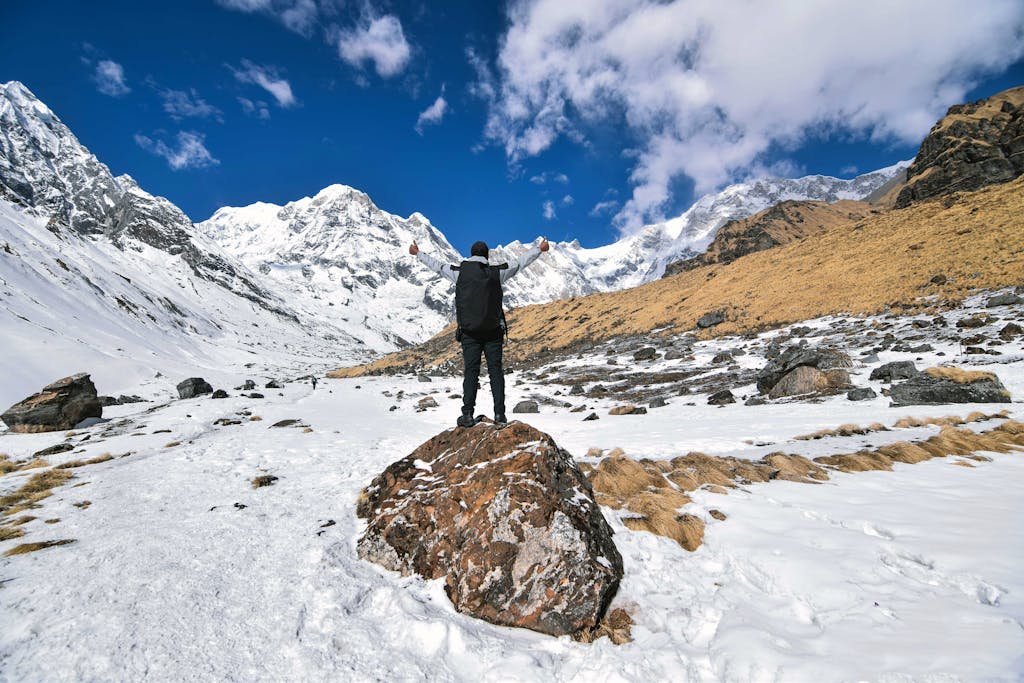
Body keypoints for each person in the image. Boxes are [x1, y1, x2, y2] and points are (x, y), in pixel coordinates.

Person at [410, 237, 550, 427]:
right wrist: (539, 249)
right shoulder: (497, 272)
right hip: (493, 332)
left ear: (471, 255)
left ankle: (467, 414)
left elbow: (437, 266)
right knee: (496, 372)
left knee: (471, 373)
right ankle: (500, 415)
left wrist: (418, 253)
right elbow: (519, 264)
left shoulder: (458, 272)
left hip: (469, 333)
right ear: (487, 255)